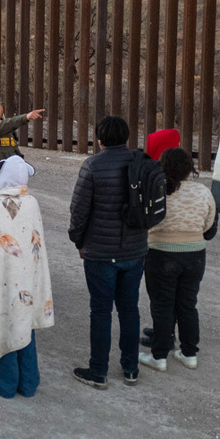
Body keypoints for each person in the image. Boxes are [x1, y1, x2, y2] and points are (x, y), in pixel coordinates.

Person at [68, 116, 148, 390]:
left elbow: (79, 212)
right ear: (126, 136)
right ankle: (131, 369)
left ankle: (98, 371)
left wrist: (78, 241)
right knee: (130, 309)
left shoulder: (92, 166)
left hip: (100, 252)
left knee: (101, 311)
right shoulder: (141, 162)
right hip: (135, 250)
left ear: (99, 139)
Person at [0, 156, 54, 398]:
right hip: (26, 278)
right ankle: (28, 383)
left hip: (1, 279)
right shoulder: (32, 203)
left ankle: (5, 383)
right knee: (24, 324)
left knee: (2, 321)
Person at [139, 147, 218, 373]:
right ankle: (189, 353)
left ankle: (159, 356)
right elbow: (209, 226)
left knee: (162, 305)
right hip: (195, 254)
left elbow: (145, 219)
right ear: (188, 168)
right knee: (187, 304)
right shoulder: (203, 192)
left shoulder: (156, 189)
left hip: (160, 253)